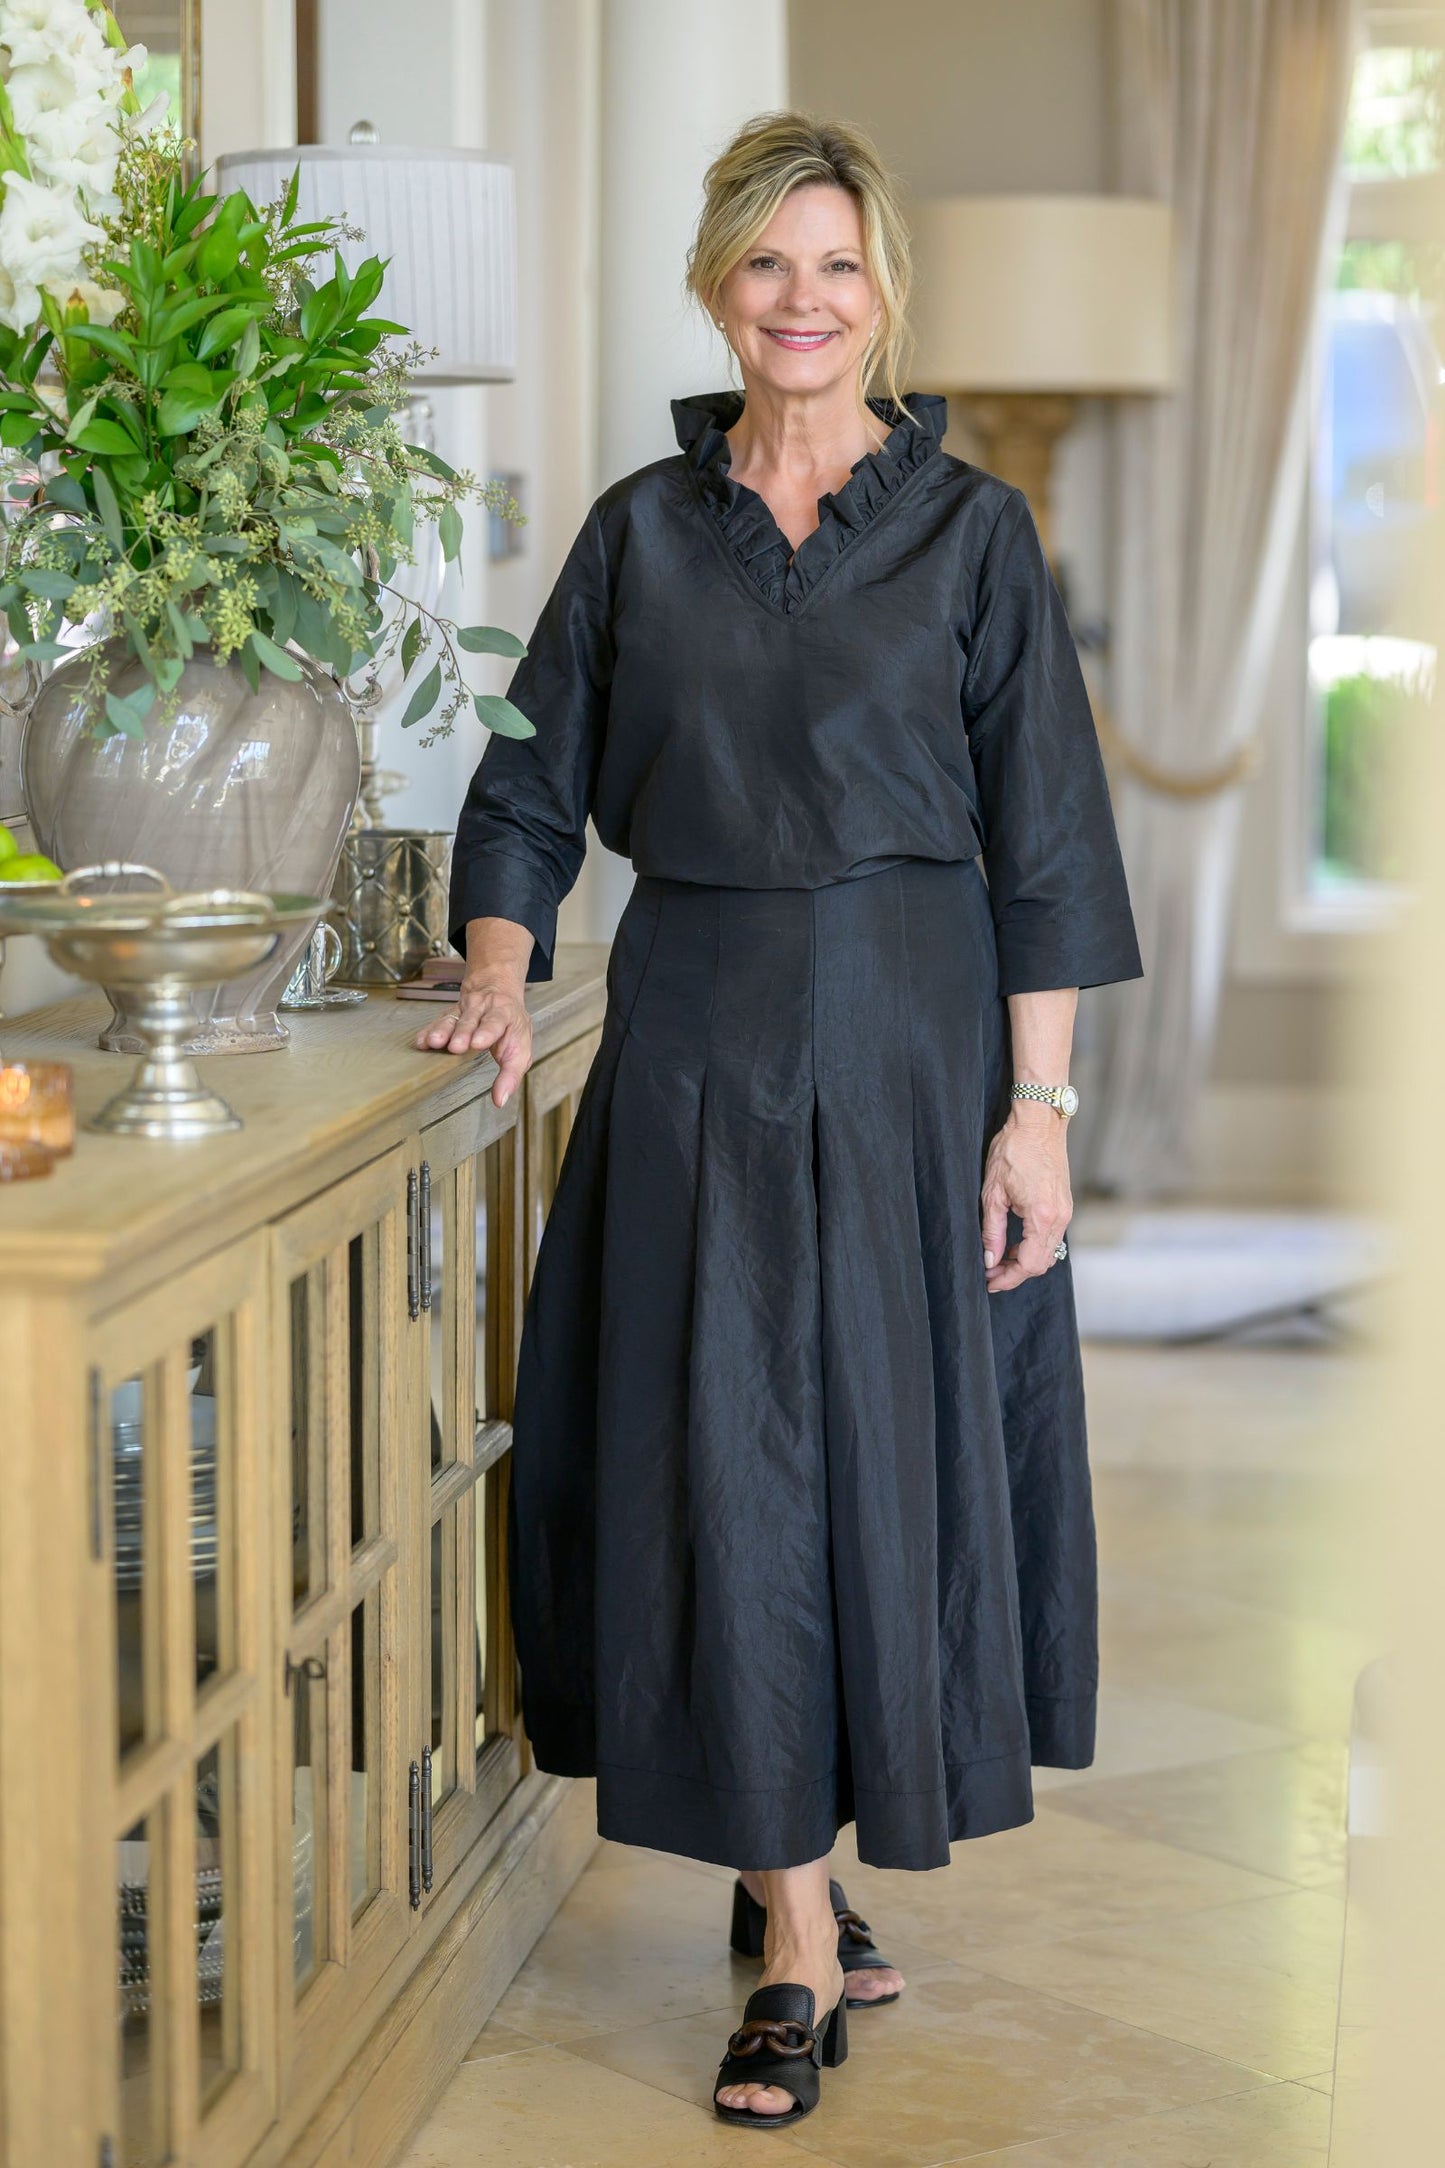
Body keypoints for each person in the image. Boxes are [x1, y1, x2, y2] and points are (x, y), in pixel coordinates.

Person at [419, 109, 1143, 2128]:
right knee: (724, 1461)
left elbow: (1049, 849)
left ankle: (810, 1835)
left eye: (835, 267)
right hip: (703, 1045)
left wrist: (1042, 1108)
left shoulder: (977, 536)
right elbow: (524, 782)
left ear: (882, 291)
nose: (802, 301)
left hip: (918, 1052)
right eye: (767, 267)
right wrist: (496, 954)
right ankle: (796, 1934)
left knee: (872, 1459)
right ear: (720, 290)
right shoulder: (643, 530)